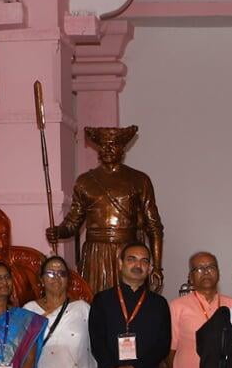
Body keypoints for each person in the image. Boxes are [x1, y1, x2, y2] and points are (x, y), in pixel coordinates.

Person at [46, 125, 165, 294]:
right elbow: (73, 223)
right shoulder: (85, 181)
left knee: (130, 299)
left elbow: (154, 226)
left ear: (122, 149)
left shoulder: (139, 180)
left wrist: (157, 267)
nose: (108, 149)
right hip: (95, 254)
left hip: (127, 251)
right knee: (94, 300)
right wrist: (59, 231)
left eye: (113, 145)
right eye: (103, 145)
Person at [87, 242, 171, 368]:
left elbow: (162, 345)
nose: (137, 265)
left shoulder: (159, 304)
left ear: (150, 268)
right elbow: (97, 344)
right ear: (120, 263)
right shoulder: (102, 300)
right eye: (132, 259)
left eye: (144, 261)